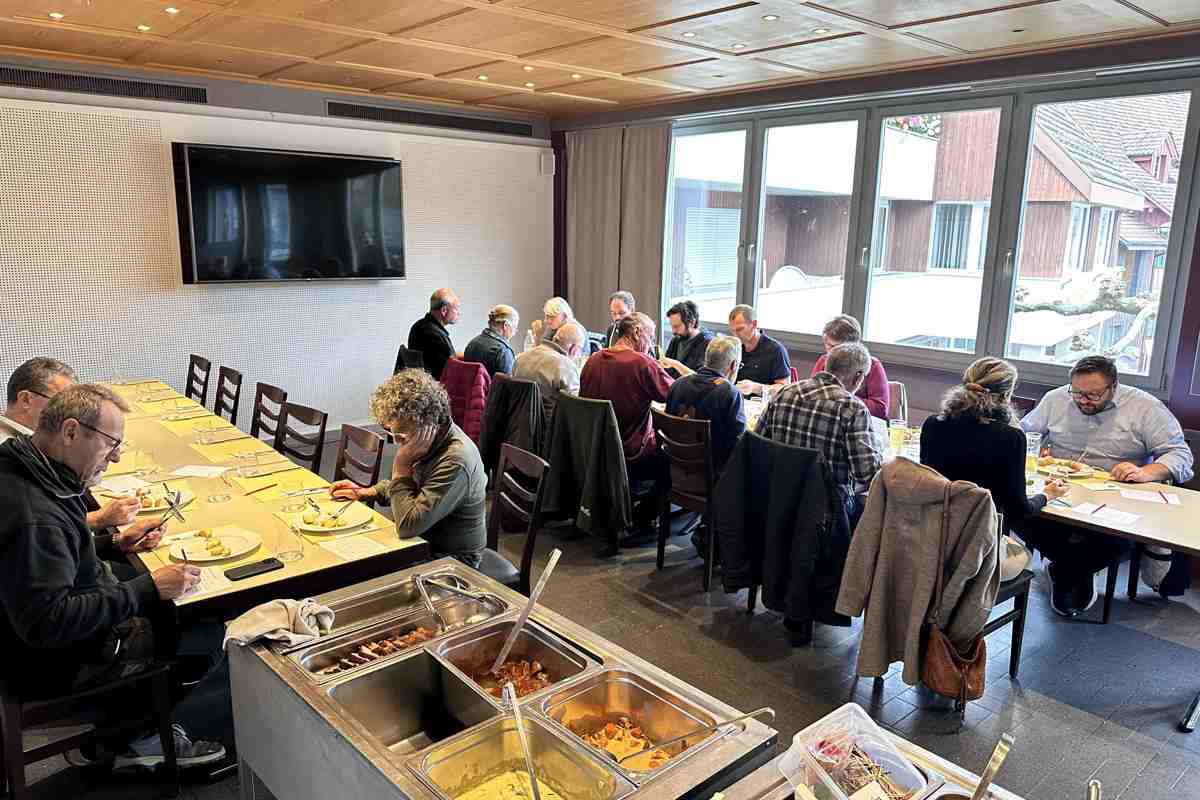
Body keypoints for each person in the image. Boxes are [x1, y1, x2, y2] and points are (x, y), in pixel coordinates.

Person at [0, 384, 225, 768]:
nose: (117, 457)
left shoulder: (24, 465)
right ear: (70, 432)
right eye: (110, 444)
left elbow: (55, 555)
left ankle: (132, 717)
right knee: (213, 630)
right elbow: (47, 623)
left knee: (157, 592)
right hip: (51, 662)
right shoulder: (34, 516)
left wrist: (110, 543)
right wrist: (147, 588)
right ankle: (145, 738)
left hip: (33, 631)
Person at [1019, 355, 1194, 616]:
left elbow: (1181, 455)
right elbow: (1022, 434)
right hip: (1059, 489)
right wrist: (1033, 451)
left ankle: (1063, 571)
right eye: (1077, 393)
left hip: (1115, 494)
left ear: (1114, 386)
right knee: (1017, 511)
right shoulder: (1056, 399)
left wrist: (1145, 471)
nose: (1083, 401)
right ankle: (1072, 571)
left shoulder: (1144, 407)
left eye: (1093, 395)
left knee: (1109, 535)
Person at [329, 370, 487, 569]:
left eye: (402, 437)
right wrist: (367, 492)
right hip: (422, 541)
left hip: (452, 559)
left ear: (429, 424)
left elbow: (408, 526)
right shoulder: (430, 439)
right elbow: (414, 490)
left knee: (358, 568)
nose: (396, 443)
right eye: (391, 434)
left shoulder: (455, 459)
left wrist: (401, 466)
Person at [4, 357, 160, 539]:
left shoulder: (29, 447)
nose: (67, 408)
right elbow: (44, 531)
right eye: (59, 401)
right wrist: (99, 519)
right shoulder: (17, 463)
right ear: (25, 400)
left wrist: (117, 541)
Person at [920, 358, 1068, 540]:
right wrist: (1047, 494)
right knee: (1025, 553)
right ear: (1007, 396)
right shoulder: (1011, 437)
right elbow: (1018, 511)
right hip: (980, 543)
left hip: (933, 535)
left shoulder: (934, 423)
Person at [757, 342, 881, 522]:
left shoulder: (784, 392)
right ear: (858, 377)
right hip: (827, 513)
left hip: (778, 501)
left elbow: (758, 443)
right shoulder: (852, 408)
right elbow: (867, 474)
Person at [580, 312, 673, 478]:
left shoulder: (592, 360)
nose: (651, 346)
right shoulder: (642, 363)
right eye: (650, 338)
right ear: (637, 332)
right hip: (632, 453)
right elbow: (674, 393)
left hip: (594, 450)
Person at [665, 335, 745, 473]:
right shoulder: (729, 393)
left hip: (675, 469)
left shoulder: (677, 384)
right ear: (734, 365)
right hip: (712, 473)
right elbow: (738, 444)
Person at [812, 315, 890, 420]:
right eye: (828, 346)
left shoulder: (873, 365)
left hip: (860, 420)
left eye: (836, 347)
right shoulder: (824, 360)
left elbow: (880, 409)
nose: (832, 353)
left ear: (854, 347)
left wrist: (839, 400)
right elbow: (813, 394)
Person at [513, 320, 587, 418]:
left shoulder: (520, 358)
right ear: (574, 349)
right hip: (549, 428)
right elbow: (574, 407)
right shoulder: (566, 366)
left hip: (516, 423)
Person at [727, 304, 791, 396]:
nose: (736, 335)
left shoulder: (775, 350)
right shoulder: (734, 347)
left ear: (754, 324)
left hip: (761, 404)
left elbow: (784, 388)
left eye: (740, 329)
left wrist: (756, 388)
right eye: (733, 331)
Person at [408, 288, 462, 380]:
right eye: (456, 308)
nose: (459, 313)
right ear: (444, 311)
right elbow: (452, 370)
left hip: (423, 384)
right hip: (437, 388)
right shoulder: (436, 336)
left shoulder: (417, 326)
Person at [659, 300, 715, 378]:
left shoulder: (708, 344)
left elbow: (701, 379)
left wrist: (675, 364)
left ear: (692, 323)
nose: (673, 331)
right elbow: (666, 368)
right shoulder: (676, 340)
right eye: (672, 326)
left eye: (677, 326)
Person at [463, 304, 519, 378]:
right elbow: (508, 387)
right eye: (514, 327)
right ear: (505, 325)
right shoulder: (503, 351)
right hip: (491, 390)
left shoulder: (472, 343)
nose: (514, 332)